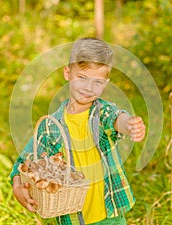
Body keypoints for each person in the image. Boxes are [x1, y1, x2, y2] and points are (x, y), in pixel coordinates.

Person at [9, 37, 146, 225]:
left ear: (106, 83)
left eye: (98, 82)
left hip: (109, 214)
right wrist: (17, 186)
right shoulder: (51, 126)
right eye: (82, 78)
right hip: (71, 216)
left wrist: (129, 124)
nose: (88, 88)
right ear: (67, 73)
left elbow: (116, 119)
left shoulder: (101, 113)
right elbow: (25, 161)